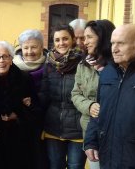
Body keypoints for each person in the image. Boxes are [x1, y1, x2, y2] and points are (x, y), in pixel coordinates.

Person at [84, 24, 135, 168]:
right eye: (112, 43)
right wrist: (91, 141)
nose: (114, 49)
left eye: (121, 43)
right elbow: (99, 110)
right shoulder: (107, 73)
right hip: (107, 159)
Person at [0, 41, 39, 169]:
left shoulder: (23, 79)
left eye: (6, 56)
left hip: (16, 139)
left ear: (11, 59)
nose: (1, 60)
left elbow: (33, 107)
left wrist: (17, 115)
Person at [38, 24, 85, 169]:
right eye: (57, 40)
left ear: (73, 40)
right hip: (53, 127)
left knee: (75, 166)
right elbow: (44, 95)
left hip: (77, 128)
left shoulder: (83, 63)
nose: (61, 43)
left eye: (65, 39)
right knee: (55, 165)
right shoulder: (49, 64)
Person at [71, 19, 115, 169]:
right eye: (85, 37)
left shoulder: (116, 66)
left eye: (89, 37)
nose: (85, 42)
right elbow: (75, 94)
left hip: (112, 131)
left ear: (102, 38)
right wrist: (89, 106)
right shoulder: (83, 65)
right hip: (89, 130)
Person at [13, 29, 48, 169]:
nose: (29, 51)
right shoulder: (12, 67)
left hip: (43, 124)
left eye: (34, 47)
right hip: (18, 124)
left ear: (41, 47)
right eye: (26, 47)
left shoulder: (51, 66)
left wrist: (34, 102)